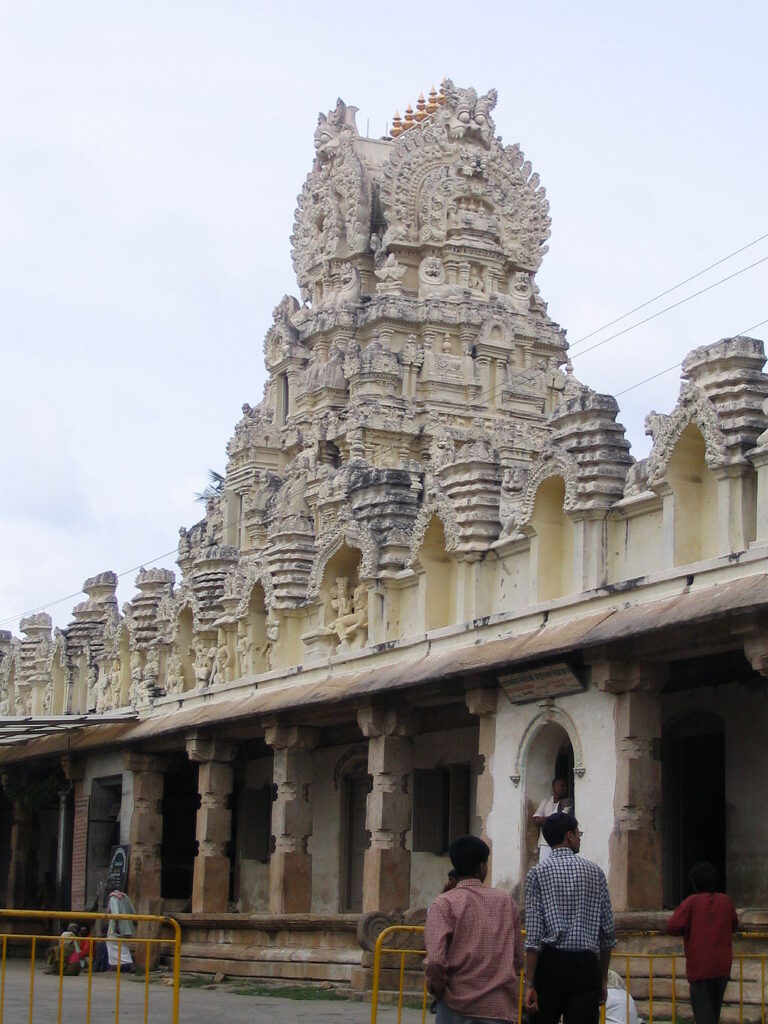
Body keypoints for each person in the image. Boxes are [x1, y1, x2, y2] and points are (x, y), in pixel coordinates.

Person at [524, 812, 615, 1024]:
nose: (579, 837)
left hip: (551, 964)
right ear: (569, 836)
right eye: (578, 833)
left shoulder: (537, 873)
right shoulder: (596, 872)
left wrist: (530, 983)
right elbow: (607, 932)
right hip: (586, 964)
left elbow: (534, 935)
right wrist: (602, 979)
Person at [425, 834, 524, 1024]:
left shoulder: (443, 904)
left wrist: (437, 987)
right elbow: (517, 956)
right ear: (481, 867)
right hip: (498, 1005)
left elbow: (436, 960)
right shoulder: (505, 902)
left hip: (455, 1005)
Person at [666, 861, 738, 1024]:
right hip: (722, 967)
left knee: (704, 1016)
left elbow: (672, 925)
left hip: (700, 968)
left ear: (695, 884)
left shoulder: (692, 902)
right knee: (714, 1011)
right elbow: (734, 924)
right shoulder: (726, 901)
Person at [533, 778, 574, 863]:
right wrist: (553, 820)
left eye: (566, 786)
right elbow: (536, 819)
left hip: (561, 842)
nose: (565, 788)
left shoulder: (568, 802)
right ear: (554, 787)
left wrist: (546, 820)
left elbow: (561, 820)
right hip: (545, 842)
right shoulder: (546, 801)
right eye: (562, 786)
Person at [106, 889, 136, 970]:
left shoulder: (113, 898)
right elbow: (133, 911)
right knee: (121, 943)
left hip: (117, 926)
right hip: (127, 926)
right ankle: (124, 964)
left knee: (112, 941)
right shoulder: (125, 897)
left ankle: (120, 964)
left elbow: (116, 914)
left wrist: (116, 927)